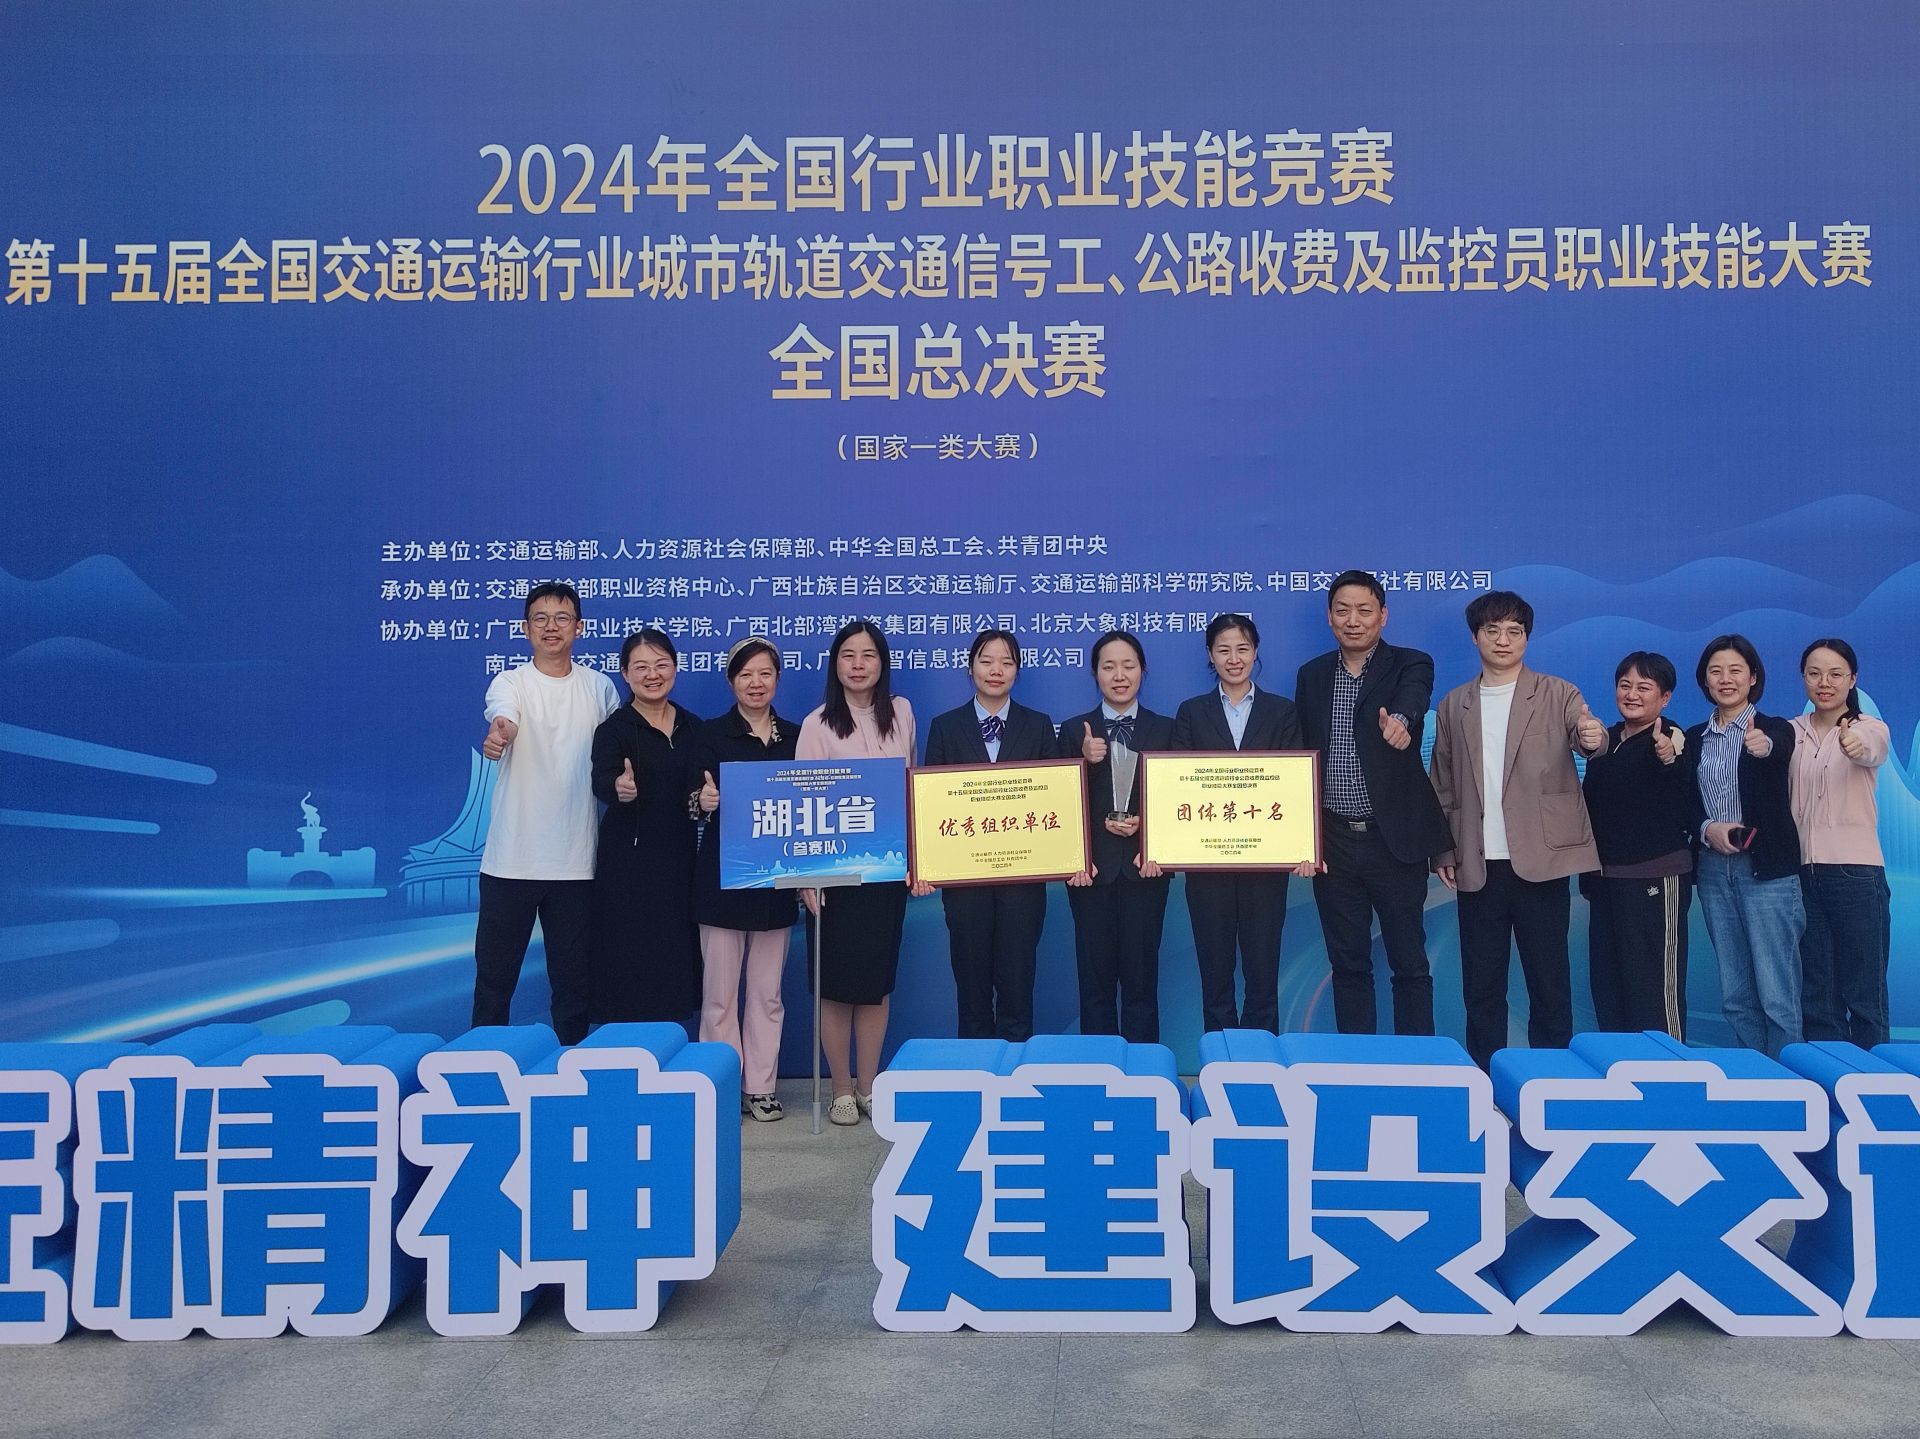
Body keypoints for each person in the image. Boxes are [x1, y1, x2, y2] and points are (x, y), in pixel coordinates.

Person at [1429, 591, 1604, 1070]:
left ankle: (1552, 1081)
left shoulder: (1557, 693)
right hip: (1477, 864)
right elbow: (1442, 784)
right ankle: (1487, 1080)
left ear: (1527, 637)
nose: (1503, 640)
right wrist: (1442, 851)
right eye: (1493, 630)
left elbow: (1586, 733)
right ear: (1475, 637)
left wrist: (1593, 737)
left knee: (1549, 983)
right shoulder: (1454, 704)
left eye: (1514, 631)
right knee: (1482, 986)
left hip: (1541, 862)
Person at [1294, 571, 1453, 1036]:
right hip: (1334, 841)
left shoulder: (1411, 663)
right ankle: (1356, 1063)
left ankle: (1418, 1063)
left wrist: (1401, 721)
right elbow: (1301, 754)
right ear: (1329, 618)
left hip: (1393, 841)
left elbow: (1414, 698)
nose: (1353, 620)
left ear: (1383, 615)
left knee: (1409, 962)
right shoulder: (1312, 675)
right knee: (1347, 963)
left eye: (1364, 610)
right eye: (1342, 610)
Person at [471, 581, 618, 1045]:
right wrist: (501, 733)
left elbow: (616, 751)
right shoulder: (510, 682)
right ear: (525, 628)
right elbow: (504, 717)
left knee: (573, 987)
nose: (551, 627)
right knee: (494, 982)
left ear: (579, 627)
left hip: (575, 863)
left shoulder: (600, 687)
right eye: (540, 618)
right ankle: (480, 1068)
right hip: (510, 861)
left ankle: (568, 1071)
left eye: (562, 618)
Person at [797, 620, 917, 1127]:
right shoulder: (817, 724)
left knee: (874, 984)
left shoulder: (902, 713)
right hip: (834, 877)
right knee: (835, 986)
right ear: (835, 664)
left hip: (886, 872)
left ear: (882, 663)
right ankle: (841, 1090)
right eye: (849, 655)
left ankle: (869, 1086)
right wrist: (807, 878)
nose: (859, 665)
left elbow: (913, 788)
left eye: (869, 655)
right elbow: (802, 807)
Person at [1170, 612, 1311, 1034]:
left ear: (1255, 652)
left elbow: (1294, 785)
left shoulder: (1282, 712)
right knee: (1214, 972)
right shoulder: (1191, 713)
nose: (1234, 659)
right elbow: (1175, 785)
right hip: (1207, 866)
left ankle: (1260, 1057)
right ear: (1210, 656)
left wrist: (1303, 846)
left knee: (1262, 971)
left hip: (1264, 866)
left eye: (1242, 649)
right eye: (1224, 650)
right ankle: (1220, 1055)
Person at [919, 629, 1056, 1042]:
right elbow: (931, 804)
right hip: (966, 885)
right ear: (970, 668)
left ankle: (1015, 1071)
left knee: (1018, 986)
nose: (996, 670)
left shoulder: (1037, 725)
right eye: (986, 661)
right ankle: (975, 1070)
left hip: (1023, 883)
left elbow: (1054, 800)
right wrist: (926, 864)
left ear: (1017, 671)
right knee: (972, 988)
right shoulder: (946, 727)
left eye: (1006, 662)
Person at [1678, 634, 1803, 1058]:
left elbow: (1778, 748)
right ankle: (1754, 1077)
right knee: (1735, 993)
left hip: (1767, 871)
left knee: (1777, 993)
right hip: (1714, 870)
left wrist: (1762, 746)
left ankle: (1789, 1082)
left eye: (1735, 670)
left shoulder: (1774, 728)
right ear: (1705, 680)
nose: (1725, 679)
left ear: (1753, 677)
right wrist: (1707, 828)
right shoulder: (1694, 738)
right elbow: (1685, 802)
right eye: (1716, 671)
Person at [691, 637, 798, 1122]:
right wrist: (702, 803)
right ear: (731, 680)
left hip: (777, 882)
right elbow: (690, 799)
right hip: (722, 881)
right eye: (746, 675)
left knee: (767, 993)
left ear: (777, 679)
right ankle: (720, 1083)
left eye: (765, 674)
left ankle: (760, 1087)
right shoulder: (709, 735)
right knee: (718, 995)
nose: (756, 683)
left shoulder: (796, 737)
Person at [1058, 631, 1174, 1043]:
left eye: (1128, 666)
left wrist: (1149, 830)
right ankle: (1097, 1071)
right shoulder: (1072, 731)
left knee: (1143, 984)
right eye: (1109, 667)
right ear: (1095, 674)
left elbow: (1178, 797)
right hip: (1091, 873)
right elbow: (1059, 803)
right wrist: (1083, 761)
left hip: (1145, 870)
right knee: (1095, 986)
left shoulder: (1167, 729)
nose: (1119, 675)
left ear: (1143, 670)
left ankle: (1144, 1072)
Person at [587, 628, 702, 1028]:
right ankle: (624, 1052)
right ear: (625, 674)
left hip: (680, 862)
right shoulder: (614, 729)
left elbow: (698, 791)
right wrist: (618, 788)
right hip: (627, 866)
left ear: (675, 668)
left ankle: (668, 1049)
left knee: (672, 960)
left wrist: (703, 800)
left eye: (661, 665)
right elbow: (601, 780)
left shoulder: (693, 726)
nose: (653, 675)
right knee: (628, 960)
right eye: (641, 667)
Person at [1578, 652, 1693, 1038]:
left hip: (1655, 880)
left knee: (1655, 991)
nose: (1632, 694)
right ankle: (1620, 1068)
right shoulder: (1606, 741)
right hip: (1606, 884)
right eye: (1625, 685)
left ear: (1665, 697)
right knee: (1609, 987)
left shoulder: (1669, 735)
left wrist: (1667, 755)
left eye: (1644, 687)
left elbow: (1674, 759)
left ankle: (1668, 1068)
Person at [1791, 637, 1892, 1048]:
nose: (1824, 683)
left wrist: (1853, 744)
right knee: (1817, 991)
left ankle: (1876, 1075)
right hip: (1802, 874)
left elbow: (1871, 750)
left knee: (1864, 989)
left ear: (1853, 679)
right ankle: (1828, 1072)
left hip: (1855, 874)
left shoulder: (1869, 728)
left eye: (1835, 674)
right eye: (1814, 674)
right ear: (1803, 678)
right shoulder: (1791, 732)